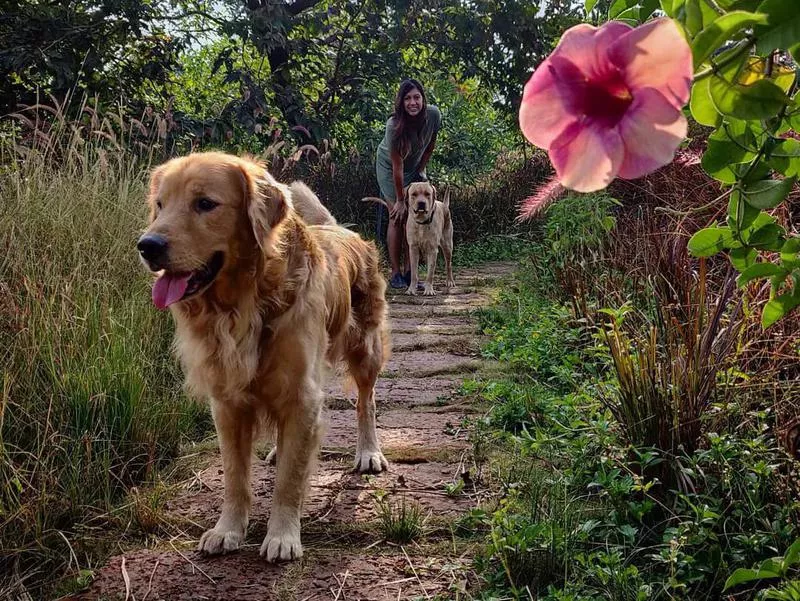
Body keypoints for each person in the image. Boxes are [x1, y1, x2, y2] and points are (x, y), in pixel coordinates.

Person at [375, 78, 441, 289]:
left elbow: (430, 146)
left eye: (416, 97)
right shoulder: (393, 126)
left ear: (423, 99)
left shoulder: (433, 115)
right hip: (390, 168)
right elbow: (397, 168)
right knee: (398, 216)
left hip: (415, 166)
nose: (413, 103)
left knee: (414, 218)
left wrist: (421, 170)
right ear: (401, 103)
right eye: (407, 99)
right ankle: (395, 273)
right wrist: (401, 200)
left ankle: (410, 272)